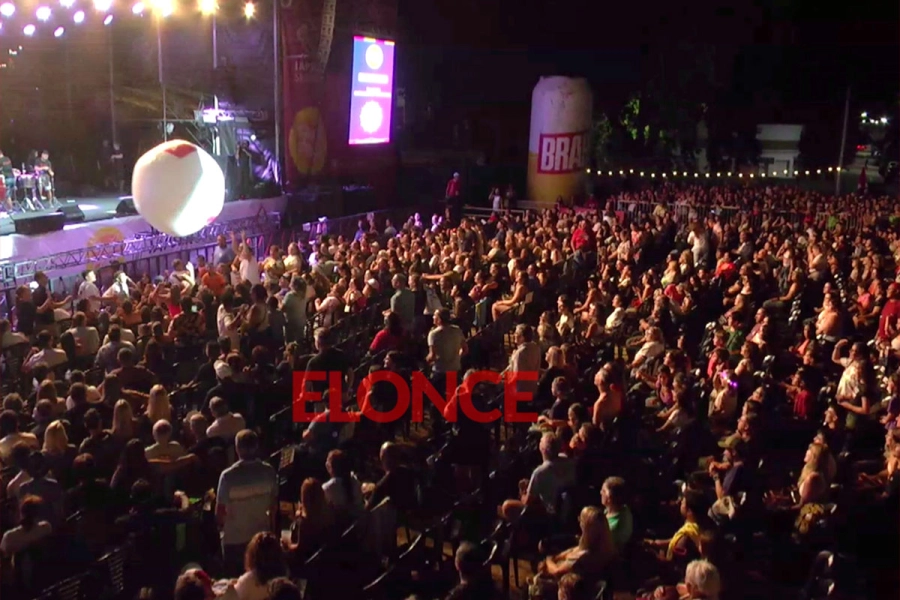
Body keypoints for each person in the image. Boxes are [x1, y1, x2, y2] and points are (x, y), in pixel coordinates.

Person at [216, 430, 278, 576]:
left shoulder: (227, 476)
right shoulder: (269, 472)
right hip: (260, 538)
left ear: (237, 448)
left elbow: (220, 511)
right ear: (256, 447)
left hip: (234, 540)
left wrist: (220, 529)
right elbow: (273, 507)